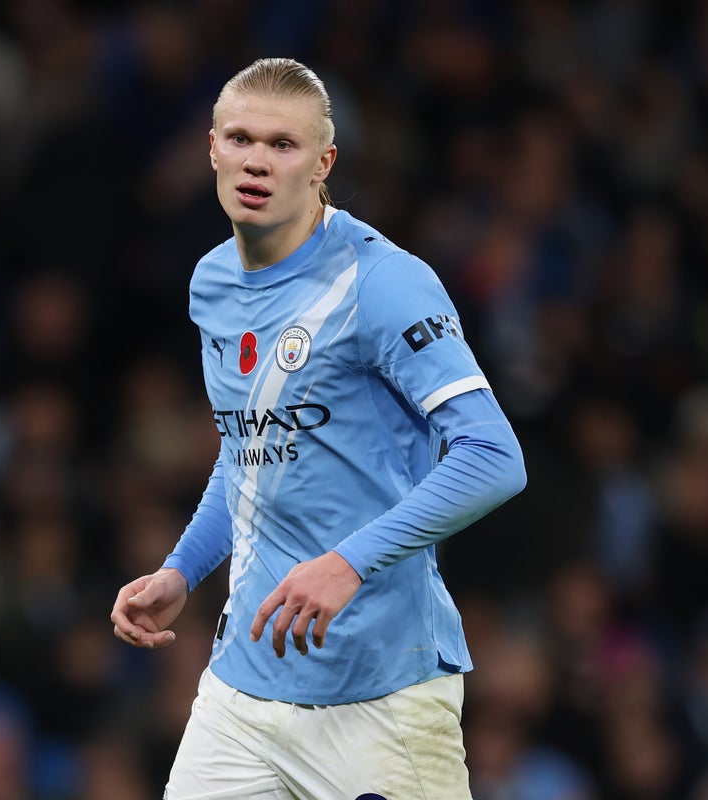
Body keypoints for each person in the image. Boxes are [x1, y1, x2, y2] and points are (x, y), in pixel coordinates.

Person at [111, 56, 527, 800]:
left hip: (379, 695)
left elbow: (494, 455)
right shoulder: (212, 282)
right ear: (212, 149)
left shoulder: (382, 282)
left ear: (323, 162)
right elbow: (251, 450)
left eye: (283, 144)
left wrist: (348, 563)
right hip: (241, 694)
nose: (257, 162)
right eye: (241, 139)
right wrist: (182, 569)